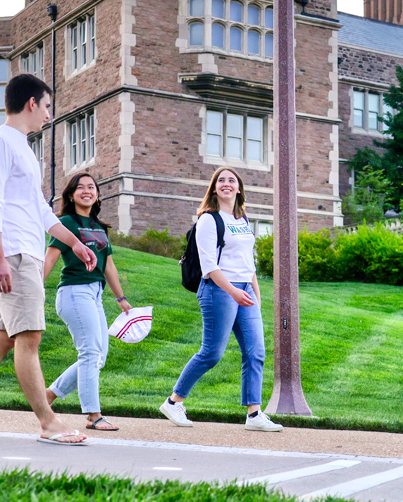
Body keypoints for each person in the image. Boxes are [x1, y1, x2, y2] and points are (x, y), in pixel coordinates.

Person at [0, 74, 96, 446]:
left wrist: (74, 243)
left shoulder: (24, 148)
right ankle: (48, 422)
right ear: (31, 103)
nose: (48, 114)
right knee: (29, 337)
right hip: (12, 254)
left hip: (23, 250)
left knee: (3, 338)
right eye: (46, 106)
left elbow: (40, 211)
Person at [159, 167, 283, 432]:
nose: (226, 184)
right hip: (218, 289)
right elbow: (209, 266)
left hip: (244, 291)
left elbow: (248, 264)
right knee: (212, 353)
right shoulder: (208, 220)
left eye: (231, 180)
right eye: (221, 180)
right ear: (214, 189)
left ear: (239, 189)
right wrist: (234, 292)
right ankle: (173, 401)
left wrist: (254, 295)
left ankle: (254, 414)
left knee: (255, 351)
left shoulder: (243, 220)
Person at [43, 173, 131, 431]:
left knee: (98, 356)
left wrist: (121, 298)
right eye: (80, 187)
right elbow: (50, 258)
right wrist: (36, 289)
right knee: (91, 352)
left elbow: (109, 266)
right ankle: (93, 415)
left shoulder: (100, 227)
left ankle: (49, 396)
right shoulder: (67, 223)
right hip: (74, 291)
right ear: (71, 195)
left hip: (94, 294)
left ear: (97, 194)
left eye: (91, 187)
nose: (86, 191)